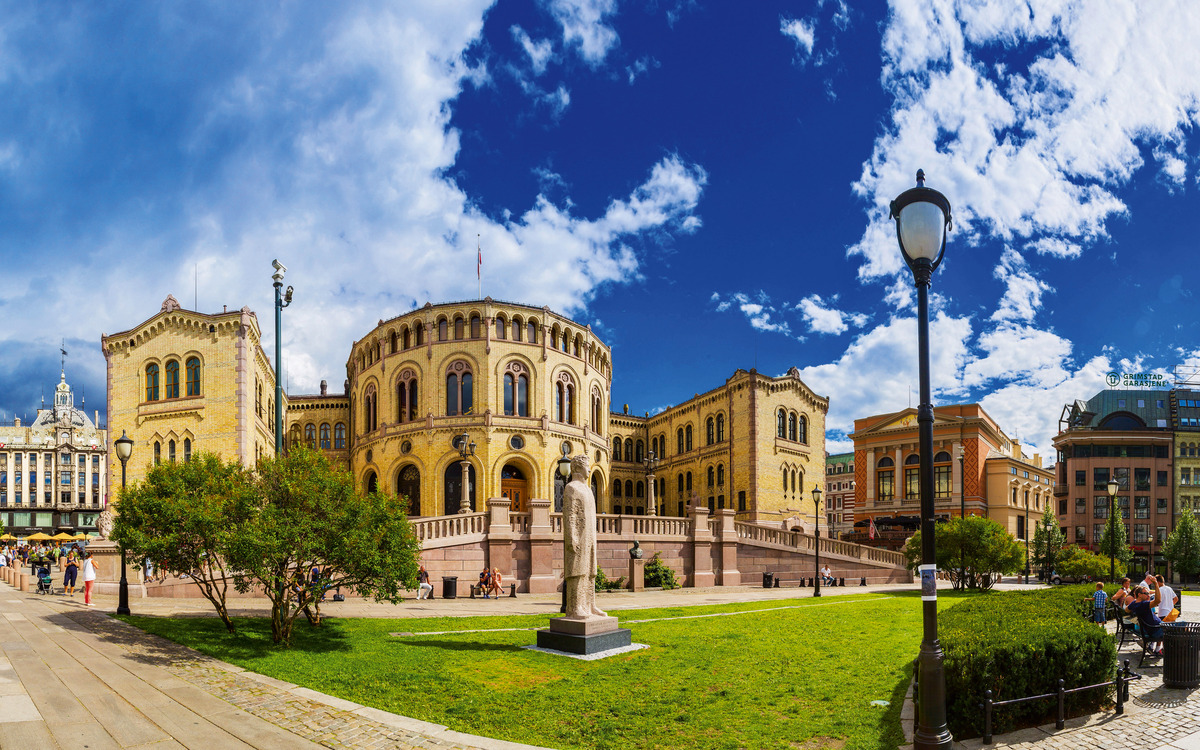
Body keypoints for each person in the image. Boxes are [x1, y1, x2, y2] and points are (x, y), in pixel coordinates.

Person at [1127, 580, 1164, 655]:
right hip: (1156, 630)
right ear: (1139, 594)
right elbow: (1158, 600)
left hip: (1153, 628)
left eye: (1148, 593)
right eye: (1146, 593)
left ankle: (1157, 650)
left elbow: (1126, 610)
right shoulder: (1144, 604)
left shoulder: (1134, 603)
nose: (1148, 595)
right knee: (1182, 626)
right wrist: (1156, 585)